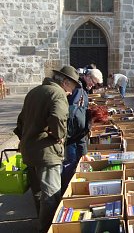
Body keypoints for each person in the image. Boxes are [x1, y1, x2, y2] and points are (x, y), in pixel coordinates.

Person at [13, 66, 80, 233]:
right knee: (51, 195)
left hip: (30, 151)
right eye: (71, 88)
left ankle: (42, 224)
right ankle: (48, 228)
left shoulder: (34, 91)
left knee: (38, 194)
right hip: (47, 153)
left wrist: (24, 139)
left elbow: (21, 121)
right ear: (65, 83)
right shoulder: (57, 94)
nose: (71, 93)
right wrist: (60, 135)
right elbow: (58, 117)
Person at [61, 68, 103, 194]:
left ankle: (67, 187)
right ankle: (65, 189)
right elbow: (74, 114)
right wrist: (85, 125)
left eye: (95, 84)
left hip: (75, 133)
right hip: (73, 134)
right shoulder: (79, 90)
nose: (93, 85)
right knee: (71, 161)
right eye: (93, 82)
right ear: (87, 77)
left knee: (73, 160)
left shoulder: (83, 89)